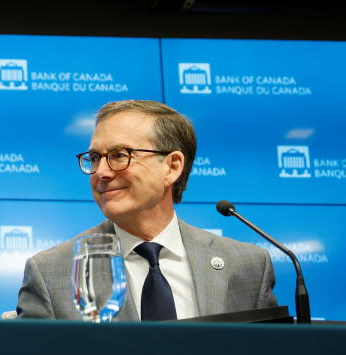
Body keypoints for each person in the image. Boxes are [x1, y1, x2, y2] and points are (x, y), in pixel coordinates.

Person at [17, 99, 277, 321]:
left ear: (172, 166)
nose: (102, 172)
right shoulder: (52, 272)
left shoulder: (247, 266)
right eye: (95, 158)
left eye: (119, 155)